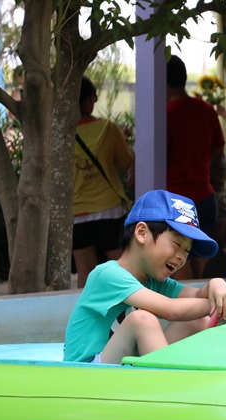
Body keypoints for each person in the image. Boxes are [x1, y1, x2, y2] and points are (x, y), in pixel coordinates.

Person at [63, 189, 226, 365]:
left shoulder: (155, 281)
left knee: (197, 321)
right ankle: (167, 389)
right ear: (142, 233)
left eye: (187, 251)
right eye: (177, 244)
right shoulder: (107, 275)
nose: (182, 257)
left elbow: (198, 297)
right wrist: (224, 304)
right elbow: (171, 310)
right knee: (141, 320)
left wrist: (218, 286)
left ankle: (200, 379)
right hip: (88, 372)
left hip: (124, 368)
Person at [166, 55, 226, 280]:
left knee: (177, 259)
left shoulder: (165, 115)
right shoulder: (206, 110)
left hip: (174, 202)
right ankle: (209, 311)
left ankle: (186, 313)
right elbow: (219, 152)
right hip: (204, 197)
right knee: (204, 261)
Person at [73, 76, 135, 288]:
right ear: (90, 99)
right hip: (109, 210)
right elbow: (124, 163)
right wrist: (122, 139)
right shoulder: (108, 128)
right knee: (120, 266)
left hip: (77, 212)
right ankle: (128, 312)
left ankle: (88, 314)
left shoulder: (61, 134)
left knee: (85, 271)